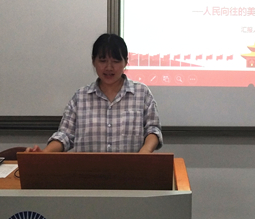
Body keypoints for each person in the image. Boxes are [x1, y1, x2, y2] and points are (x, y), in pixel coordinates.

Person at [27, 33, 162, 153]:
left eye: (115, 61)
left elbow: (153, 130)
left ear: (125, 62)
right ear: (93, 61)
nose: (109, 67)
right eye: (102, 61)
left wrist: (145, 151)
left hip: (131, 170)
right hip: (87, 172)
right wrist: (45, 153)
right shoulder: (80, 97)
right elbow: (65, 135)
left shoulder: (141, 93)